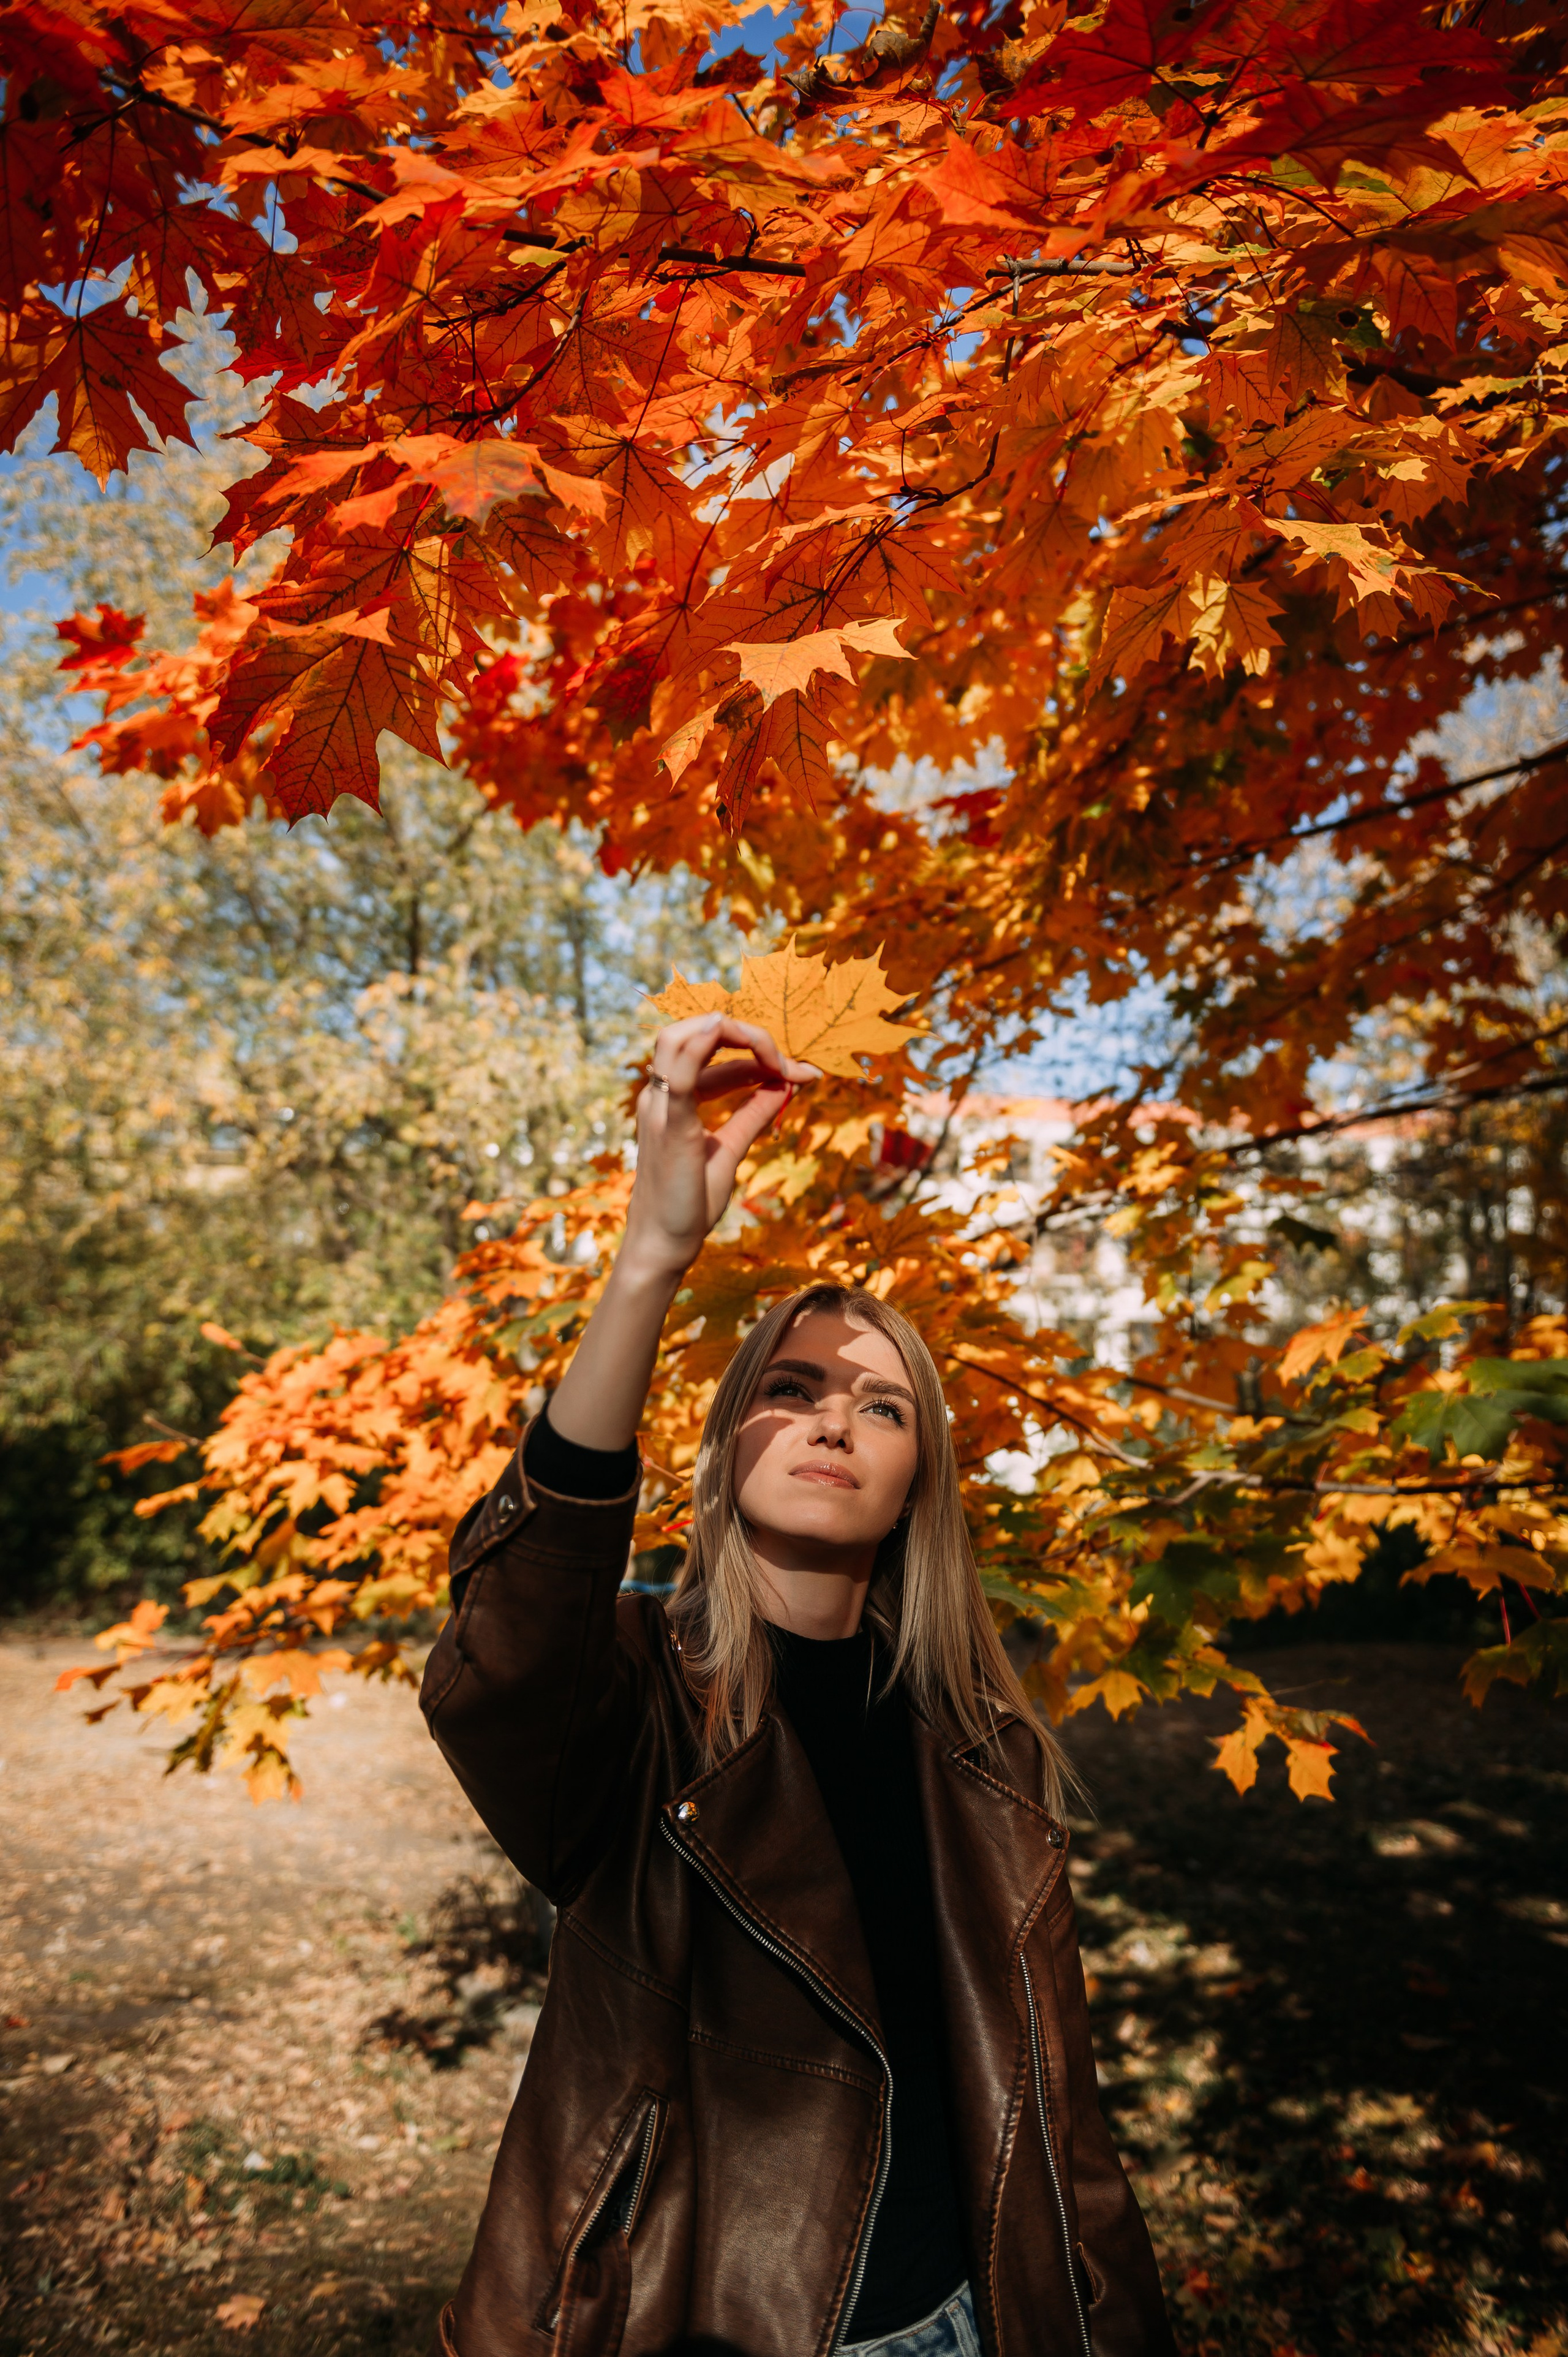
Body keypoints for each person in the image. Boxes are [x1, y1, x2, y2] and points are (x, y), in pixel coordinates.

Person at [421, 1010, 1175, 2357]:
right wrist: (653, 1255)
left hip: (968, 2324)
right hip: (695, 2323)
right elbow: (507, 1648)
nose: (834, 1417)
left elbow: (1061, 2123)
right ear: (719, 1458)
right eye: (792, 1386)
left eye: (882, 1406)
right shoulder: (640, 1695)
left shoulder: (982, 1746)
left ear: (915, 1490)